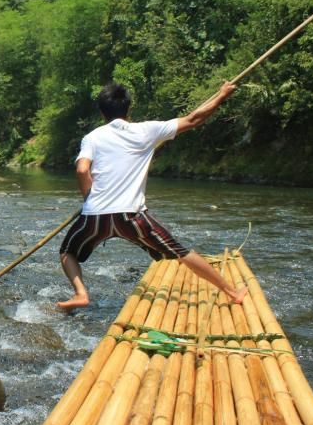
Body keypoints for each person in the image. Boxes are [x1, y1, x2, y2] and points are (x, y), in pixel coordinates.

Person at [57, 81, 247, 310]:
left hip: (95, 215)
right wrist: (222, 94)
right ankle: (232, 292)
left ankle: (81, 294)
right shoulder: (147, 130)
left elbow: (82, 169)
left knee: (68, 252)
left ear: (101, 112)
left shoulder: (92, 137)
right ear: (129, 109)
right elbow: (194, 119)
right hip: (131, 216)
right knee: (180, 251)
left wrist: (89, 196)